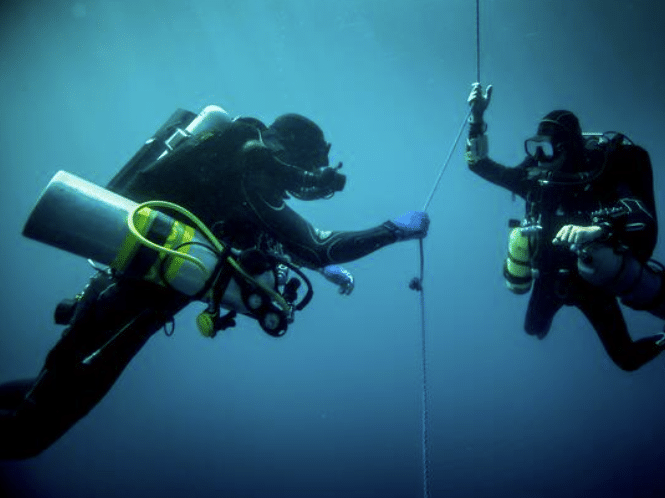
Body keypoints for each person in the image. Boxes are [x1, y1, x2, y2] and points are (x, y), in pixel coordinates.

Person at [0, 106, 429, 459]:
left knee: (42, 400)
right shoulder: (251, 162)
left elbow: (280, 240)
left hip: (123, 298)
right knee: (31, 433)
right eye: (310, 164)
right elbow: (320, 245)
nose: (307, 178)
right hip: (128, 305)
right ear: (293, 153)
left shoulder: (235, 167)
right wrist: (393, 230)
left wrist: (317, 264)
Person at [464, 83, 665, 378]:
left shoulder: (599, 177)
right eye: (536, 146)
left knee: (626, 359)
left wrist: (598, 228)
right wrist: (476, 118)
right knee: (533, 328)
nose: (539, 157)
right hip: (548, 273)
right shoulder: (534, 180)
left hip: (590, 280)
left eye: (547, 147)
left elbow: (637, 208)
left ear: (566, 147)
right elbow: (478, 164)